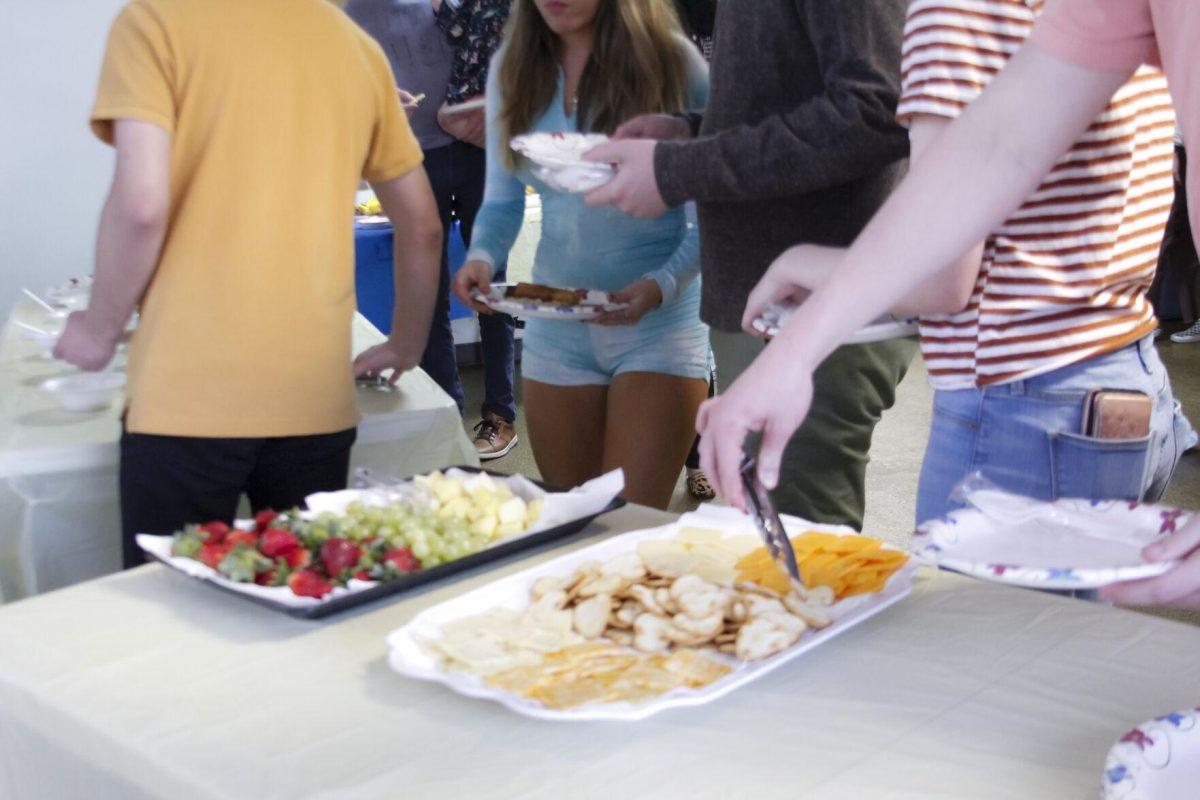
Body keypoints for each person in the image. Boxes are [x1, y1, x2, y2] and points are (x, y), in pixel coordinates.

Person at [692, 0, 1200, 607]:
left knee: (971, 668)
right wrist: (798, 350)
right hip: (1129, 381)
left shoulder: (956, 13)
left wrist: (809, 279)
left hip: (1023, 407)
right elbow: (992, 155)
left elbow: (948, 274)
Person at [55, 0, 441, 568]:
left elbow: (141, 207)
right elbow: (424, 228)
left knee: (168, 623)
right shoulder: (355, 47)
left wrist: (98, 328)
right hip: (313, 397)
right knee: (302, 614)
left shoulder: (156, 22)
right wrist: (406, 344)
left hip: (188, 396)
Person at [581, 1, 914, 529]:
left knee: (800, 545)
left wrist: (679, 168)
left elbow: (878, 111)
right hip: (767, 298)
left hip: (822, 304)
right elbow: (793, 94)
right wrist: (693, 132)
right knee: (769, 528)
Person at [452, 0, 710, 510]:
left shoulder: (673, 63)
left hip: (660, 327)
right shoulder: (515, 65)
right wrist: (481, 255)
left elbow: (715, 207)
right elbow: (503, 200)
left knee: (631, 524)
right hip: (557, 327)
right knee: (576, 520)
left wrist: (663, 283)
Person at [346, 0, 520, 460]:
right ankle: (448, 414)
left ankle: (501, 413)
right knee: (430, 287)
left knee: (491, 283)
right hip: (408, 159)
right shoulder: (344, 10)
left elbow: (499, 42)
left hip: (475, 149)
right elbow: (342, 79)